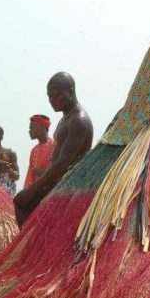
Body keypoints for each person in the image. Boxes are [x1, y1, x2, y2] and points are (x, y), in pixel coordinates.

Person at [14, 72, 93, 226]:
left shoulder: (78, 120)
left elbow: (64, 163)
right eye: (50, 96)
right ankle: (31, 246)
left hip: (71, 185)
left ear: (71, 91)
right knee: (21, 202)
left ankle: (33, 247)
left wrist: (34, 188)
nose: (53, 101)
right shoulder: (65, 118)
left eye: (58, 96)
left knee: (23, 201)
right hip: (56, 182)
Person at [24, 114, 55, 189]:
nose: (29, 131)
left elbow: (61, 170)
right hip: (37, 192)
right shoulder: (34, 150)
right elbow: (30, 176)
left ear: (42, 127)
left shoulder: (55, 145)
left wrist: (43, 173)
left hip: (53, 190)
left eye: (32, 127)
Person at [0, 126, 19, 196]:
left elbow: (17, 176)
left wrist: (8, 169)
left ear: (1, 138)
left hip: (7, 194)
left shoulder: (10, 154)